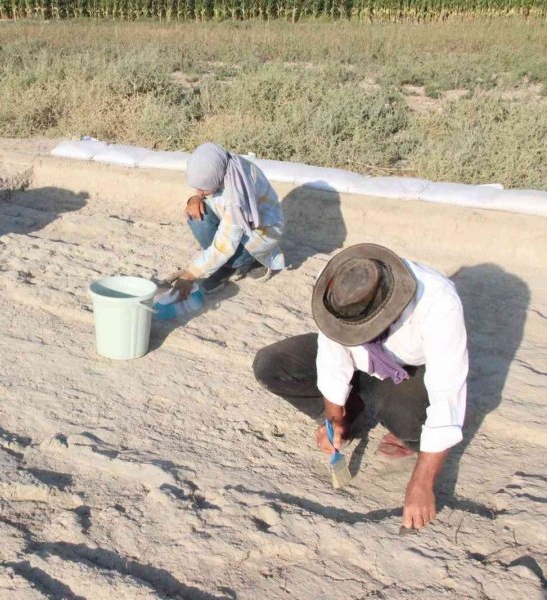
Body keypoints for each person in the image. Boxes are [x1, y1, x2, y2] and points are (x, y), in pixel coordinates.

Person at [252, 244, 468, 531]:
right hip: (362, 362)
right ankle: (352, 410)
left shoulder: (439, 304)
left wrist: (421, 483)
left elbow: (447, 393)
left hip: (406, 368)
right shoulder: (339, 286)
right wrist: (334, 417)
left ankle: (381, 408)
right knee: (271, 365)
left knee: (416, 430)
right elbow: (332, 356)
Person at [167, 143, 285, 298]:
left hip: (258, 235)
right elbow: (207, 194)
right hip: (235, 225)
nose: (199, 192)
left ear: (216, 176)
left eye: (202, 189)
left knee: (229, 254)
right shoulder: (225, 166)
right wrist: (195, 198)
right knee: (195, 214)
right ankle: (227, 263)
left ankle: (246, 262)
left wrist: (189, 275)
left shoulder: (236, 194)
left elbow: (226, 244)